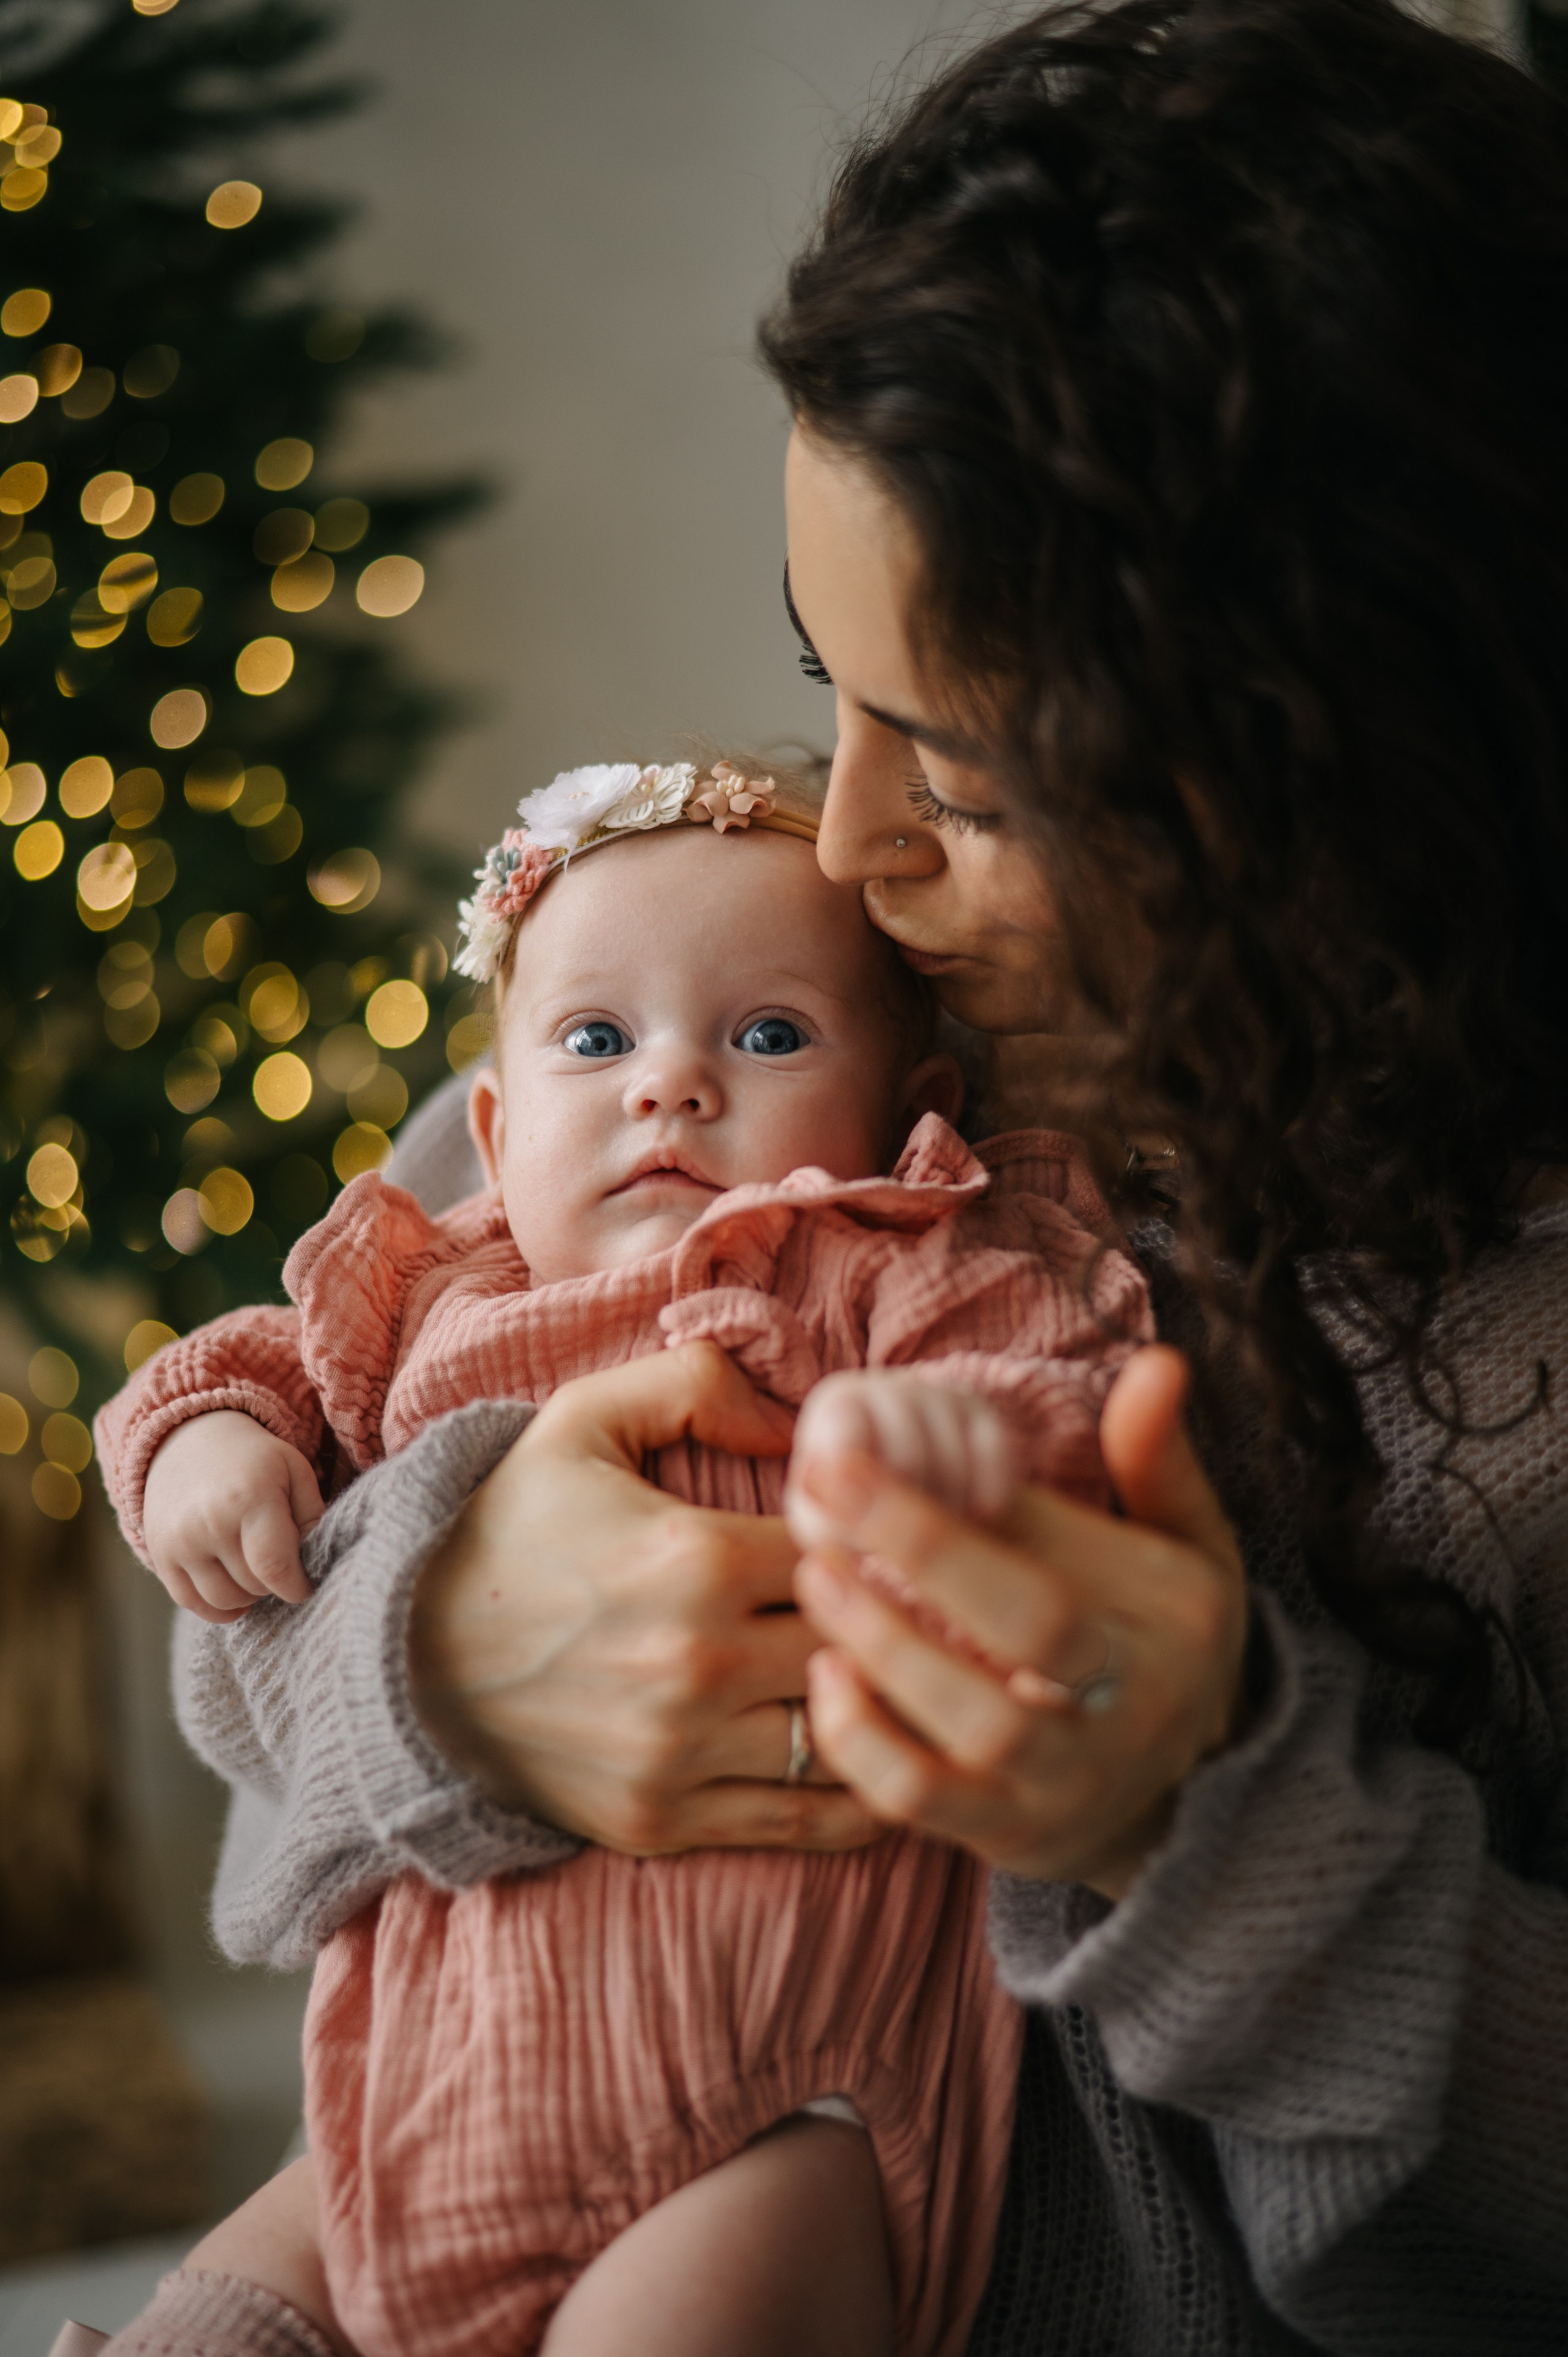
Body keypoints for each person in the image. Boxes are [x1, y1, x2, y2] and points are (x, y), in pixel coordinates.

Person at [74, 0, 1568, 2350]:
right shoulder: (708, 1038)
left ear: (1336, 783)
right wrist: (445, 1655)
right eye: (824, 680)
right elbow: (285, 1833)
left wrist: (1203, 1822)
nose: (845, 840)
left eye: (966, 775)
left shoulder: (1518, 1382)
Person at [96, 757, 1153, 2357]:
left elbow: (1056, 1384)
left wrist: (979, 1447)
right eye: (600, 1040)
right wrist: (203, 1446)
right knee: (221, 2316)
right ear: (502, 1126)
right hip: (417, 2101)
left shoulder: (887, 1259)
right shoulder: (439, 1289)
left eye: (768, 1034)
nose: (670, 1086)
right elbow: (234, 1365)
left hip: (779, 2109)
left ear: (906, 1104)